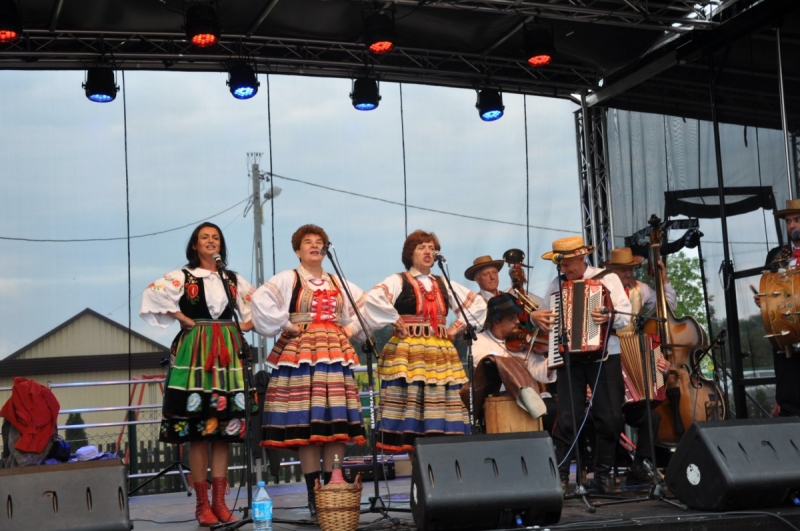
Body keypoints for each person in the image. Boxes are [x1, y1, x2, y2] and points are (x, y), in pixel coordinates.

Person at [140, 222, 256, 527]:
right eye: (205, 237)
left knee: (223, 432)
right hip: (196, 353)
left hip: (227, 352)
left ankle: (220, 503)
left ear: (221, 245)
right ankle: (202, 505)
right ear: (194, 245)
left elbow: (261, 306)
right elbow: (152, 293)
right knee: (198, 432)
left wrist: (245, 325)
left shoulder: (232, 279)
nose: (211, 241)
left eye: (215, 237)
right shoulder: (183, 276)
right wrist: (181, 317)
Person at [251, 224, 367, 518]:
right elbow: (260, 300)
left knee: (335, 425)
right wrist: (286, 324)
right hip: (300, 355)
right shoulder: (288, 278)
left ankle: (333, 489)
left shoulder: (338, 281)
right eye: (308, 242)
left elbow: (367, 306)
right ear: (297, 250)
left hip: (334, 354)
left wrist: (350, 329)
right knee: (307, 426)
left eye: (319, 242)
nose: (315, 246)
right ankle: (314, 494)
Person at [364, 229, 487, 452]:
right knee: (413, 406)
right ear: (410, 253)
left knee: (440, 407)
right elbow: (374, 298)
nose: (428, 251)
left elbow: (477, 304)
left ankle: (439, 462)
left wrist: (455, 328)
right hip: (410, 352)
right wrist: (395, 319)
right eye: (422, 247)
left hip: (439, 352)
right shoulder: (399, 280)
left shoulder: (443, 282)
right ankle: (417, 466)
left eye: (432, 248)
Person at [531, 236, 631, 494]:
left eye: (566, 264)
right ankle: (561, 478)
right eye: (560, 265)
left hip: (605, 356)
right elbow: (544, 315)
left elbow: (625, 316)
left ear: (581, 257)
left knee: (610, 417)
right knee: (567, 418)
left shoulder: (607, 278)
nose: (563, 269)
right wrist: (534, 317)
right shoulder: (557, 284)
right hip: (570, 359)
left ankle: (603, 477)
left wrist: (608, 316)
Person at [604, 246, 674, 484]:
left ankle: (639, 465)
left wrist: (663, 280)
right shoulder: (601, 289)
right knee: (609, 419)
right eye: (623, 270)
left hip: (633, 356)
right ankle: (614, 467)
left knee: (652, 418)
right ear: (611, 270)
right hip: (608, 355)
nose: (628, 274)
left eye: (631, 269)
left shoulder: (640, 289)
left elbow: (667, 307)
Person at [470, 293, 556, 423]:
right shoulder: (478, 342)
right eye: (511, 318)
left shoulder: (521, 341)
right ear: (497, 322)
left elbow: (538, 372)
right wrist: (519, 363)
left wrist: (554, 357)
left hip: (527, 404)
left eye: (516, 317)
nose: (517, 321)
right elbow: (488, 363)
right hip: (498, 404)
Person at [753, 198, 800, 417]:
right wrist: (764, 302)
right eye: (788, 221)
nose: (792, 225)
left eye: (797, 220)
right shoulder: (776, 255)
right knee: (790, 400)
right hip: (787, 339)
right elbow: (770, 290)